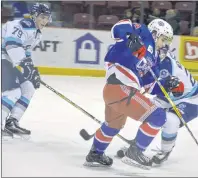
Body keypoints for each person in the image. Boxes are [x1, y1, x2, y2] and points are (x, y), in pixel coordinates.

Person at [83, 18, 174, 169]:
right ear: (155, 33)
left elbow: (150, 85)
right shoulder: (144, 33)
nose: (164, 44)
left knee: (113, 125)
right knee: (158, 116)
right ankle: (136, 152)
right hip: (121, 88)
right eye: (164, 39)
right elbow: (119, 27)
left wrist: (167, 85)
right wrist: (131, 37)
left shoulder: (154, 59)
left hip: (115, 92)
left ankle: (95, 154)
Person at [116, 50, 198, 166]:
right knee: (148, 111)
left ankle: (165, 150)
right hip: (168, 95)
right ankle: (138, 145)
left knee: (171, 120)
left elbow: (171, 88)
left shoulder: (165, 62)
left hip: (191, 98)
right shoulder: (155, 56)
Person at [2, 3, 52, 137]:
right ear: (34, 15)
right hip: (3, 58)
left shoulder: (37, 33)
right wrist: (25, 65)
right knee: (13, 91)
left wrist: (31, 69)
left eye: (47, 18)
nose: (45, 21)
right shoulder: (23, 25)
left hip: (9, 60)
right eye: (42, 17)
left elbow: (26, 51)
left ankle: (12, 121)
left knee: (28, 88)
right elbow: (11, 45)